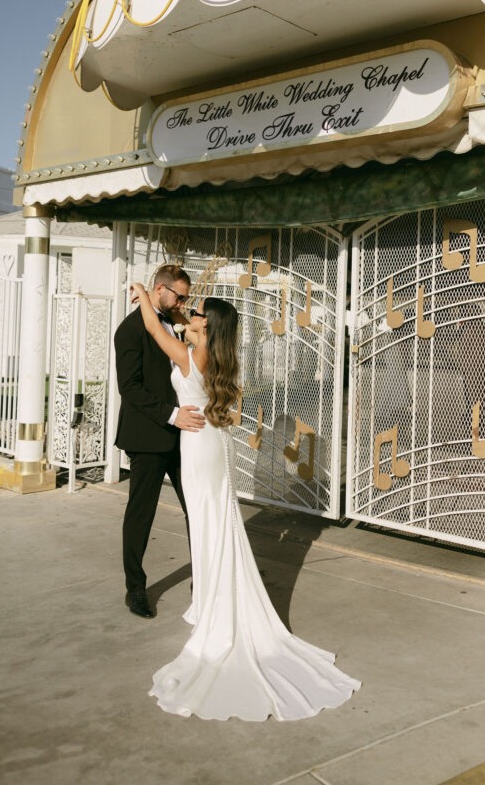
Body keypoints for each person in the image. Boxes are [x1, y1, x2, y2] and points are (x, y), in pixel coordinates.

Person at [130, 280, 361, 722]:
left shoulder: (192, 355)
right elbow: (181, 325)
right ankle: (210, 600)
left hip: (198, 448)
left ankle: (216, 608)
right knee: (216, 522)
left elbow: (158, 333)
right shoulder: (216, 356)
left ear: (208, 328)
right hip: (212, 444)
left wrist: (145, 296)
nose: (189, 317)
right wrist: (182, 312)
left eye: (196, 315)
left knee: (207, 524)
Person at [114, 264, 205, 620]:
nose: (182, 302)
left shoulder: (171, 321)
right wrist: (172, 415)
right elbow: (130, 389)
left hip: (182, 435)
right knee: (141, 514)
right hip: (149, 434)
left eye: (185, 296)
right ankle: (135, 588)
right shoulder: (130, 329)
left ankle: (208, 575)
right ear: (160, 289)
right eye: (178, 295)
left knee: (196, 508)